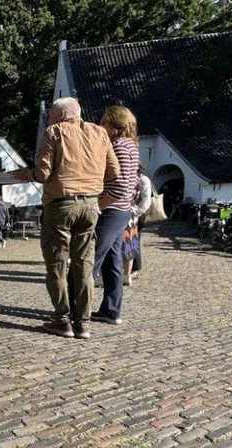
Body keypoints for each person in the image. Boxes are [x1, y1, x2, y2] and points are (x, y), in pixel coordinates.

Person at [11, 97, 119, 339]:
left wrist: (25, 174)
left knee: (57, 264)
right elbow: (114, 171)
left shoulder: (55, 131)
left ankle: (62, 320)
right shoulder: (100, 133)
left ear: (60, 115)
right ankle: (83, 323)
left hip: (60, 206)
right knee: (84, 265)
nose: (47, 118)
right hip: (91, 204)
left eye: (50, 113)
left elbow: (43, 173)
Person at [89, 106, 140, 325]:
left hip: (111, 211)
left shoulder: (118, 146)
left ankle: (74, 309)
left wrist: (97, 207)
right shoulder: (131, 145)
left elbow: (118, 188)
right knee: (112, 261)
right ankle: (111, 310)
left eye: (103, 122)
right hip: (121, 210)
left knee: (90, 259)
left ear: (114, 126)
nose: (100, 126)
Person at [122, 164, 153, 285]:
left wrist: (135, 212)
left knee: (133, 243)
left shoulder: (143, 180)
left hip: (135, 217)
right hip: (125, 215)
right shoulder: (128, 179)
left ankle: (133, 270)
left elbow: (146, 201)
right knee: (129, 243)